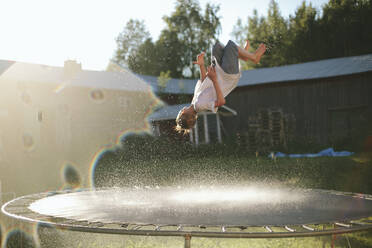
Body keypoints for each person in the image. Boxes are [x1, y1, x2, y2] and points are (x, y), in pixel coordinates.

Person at [175, 40, 266, 133]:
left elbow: (204, 82)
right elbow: (221, 101)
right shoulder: (201, 105)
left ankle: (242, 55)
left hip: (218, 71)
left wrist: (201, 65)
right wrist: (214, 79)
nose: (180, 111)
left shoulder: (194, 102)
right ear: (183, 113)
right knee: (231, 46)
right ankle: (253, 57)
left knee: (216, 47)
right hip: (226, 77)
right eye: (179, 114)